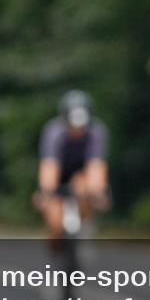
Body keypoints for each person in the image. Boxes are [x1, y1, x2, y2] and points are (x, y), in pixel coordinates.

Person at [35, 90, 110, 248]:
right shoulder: (53, 132)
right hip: (59, 174)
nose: (77, 131)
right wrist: (45, 191)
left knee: (85, 189)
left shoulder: (96, 132)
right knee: (54, 225)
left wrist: (98, 192)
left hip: (82, 174)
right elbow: (49, 165)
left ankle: (85, 226)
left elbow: (96, 165)